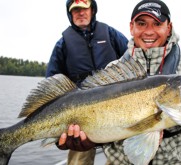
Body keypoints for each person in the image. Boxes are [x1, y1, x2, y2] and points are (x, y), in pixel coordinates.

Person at [57, 0, 181, 164]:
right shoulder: (114, 68)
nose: (148, 31)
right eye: (141, 24)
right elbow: (107, 128)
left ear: (168, 28)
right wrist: (90, 141)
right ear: (131, 28)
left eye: (157, 24)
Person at [45, 0, 128, 164]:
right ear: (70, 14)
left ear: (92, 10)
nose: (80, 13)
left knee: (121, 157)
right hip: (80, 116)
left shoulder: (111, 33)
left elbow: (132, 56)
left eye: (84, 9)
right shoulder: (62, 44)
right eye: (75, 10)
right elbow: (51, 82)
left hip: (117, 111)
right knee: (79, 157)